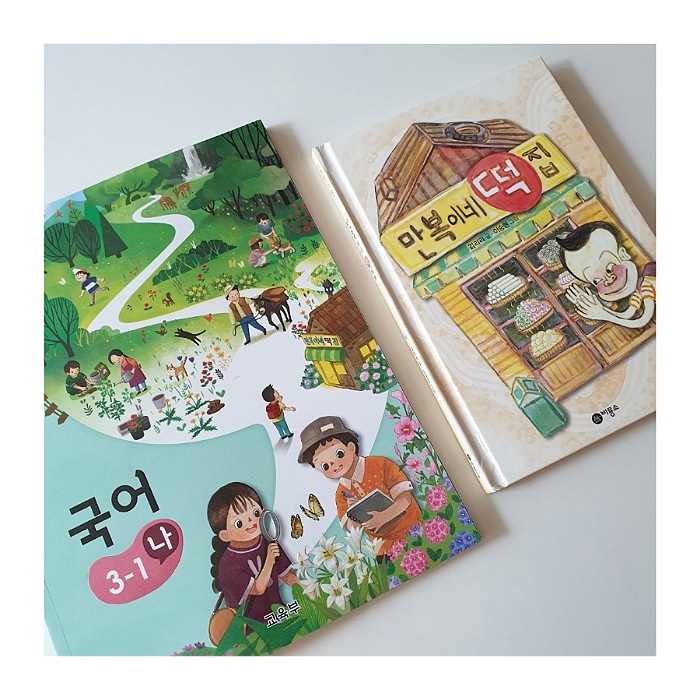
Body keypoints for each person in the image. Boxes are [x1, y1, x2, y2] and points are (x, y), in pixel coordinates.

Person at [297, 416, 421, 557]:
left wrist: (384, 517)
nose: (333, 465)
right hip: (384, 549)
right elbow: (353, 530)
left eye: (339, 454)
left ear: (351, 447)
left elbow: (405, 498)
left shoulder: (380, 464)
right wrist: (354, 514)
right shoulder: (341, 494)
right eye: (324, 466)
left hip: (414, 530)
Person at [207, 482, 299, 626]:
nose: (250, 520)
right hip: (251, 628)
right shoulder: (228, 566)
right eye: (239, 523)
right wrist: (269, 560)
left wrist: (309, 591)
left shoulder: (268, 541)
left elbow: (287, 576)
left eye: (255, 513)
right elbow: (258, 588)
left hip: (280, 615)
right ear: (225, 535)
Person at [558, 221, 656, 329]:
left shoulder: (647, 282)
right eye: (596, 281)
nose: (608, 280)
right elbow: (626, 315)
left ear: (623, 255)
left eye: (609, 269)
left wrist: (603, 315)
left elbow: (641, 321)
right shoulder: (638, 290)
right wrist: (599, 310)